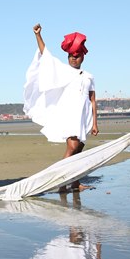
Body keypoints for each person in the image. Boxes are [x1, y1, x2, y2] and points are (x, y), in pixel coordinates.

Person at [24, 23, 99, 191]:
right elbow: (46, 55)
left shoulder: (89, 76)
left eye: (77, 56)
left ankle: (74, 182)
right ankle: (59, 182)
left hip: (83, 117)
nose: (74, 58)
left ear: (83, 57)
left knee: (78, 150)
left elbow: (93, 100)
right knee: (72, 148)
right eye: (71, 56)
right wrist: (38, 35)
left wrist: (94, 123)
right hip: (69, 117)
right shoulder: (63, 71)